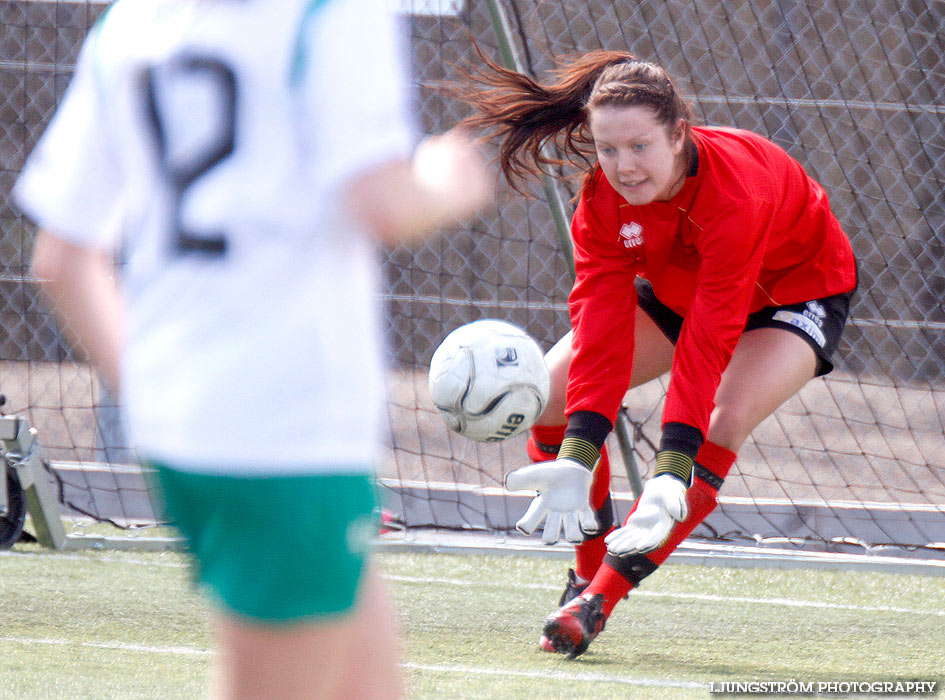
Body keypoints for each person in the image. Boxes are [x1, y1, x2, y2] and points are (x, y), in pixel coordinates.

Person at [16, 0, 490, 698]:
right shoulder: (326, 14)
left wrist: (157, 401)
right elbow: (385, 201)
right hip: (283, 434)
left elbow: (61, 258)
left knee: (367, 685)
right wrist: (454, 175)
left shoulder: (133, 22)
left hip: (201, 428)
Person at [461, 50, 857, 658]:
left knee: (720, 424)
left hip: (791, 293)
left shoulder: (735, 193)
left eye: (640, 147)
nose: (623, 167)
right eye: (608, 149)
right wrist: (579, 445)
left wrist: (671, 465)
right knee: (549, 400)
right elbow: (601, 329)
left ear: (679, 133)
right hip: (680, 286)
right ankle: (584, 576)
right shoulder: (599, 200)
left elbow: (710, 337)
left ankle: (601, 599)